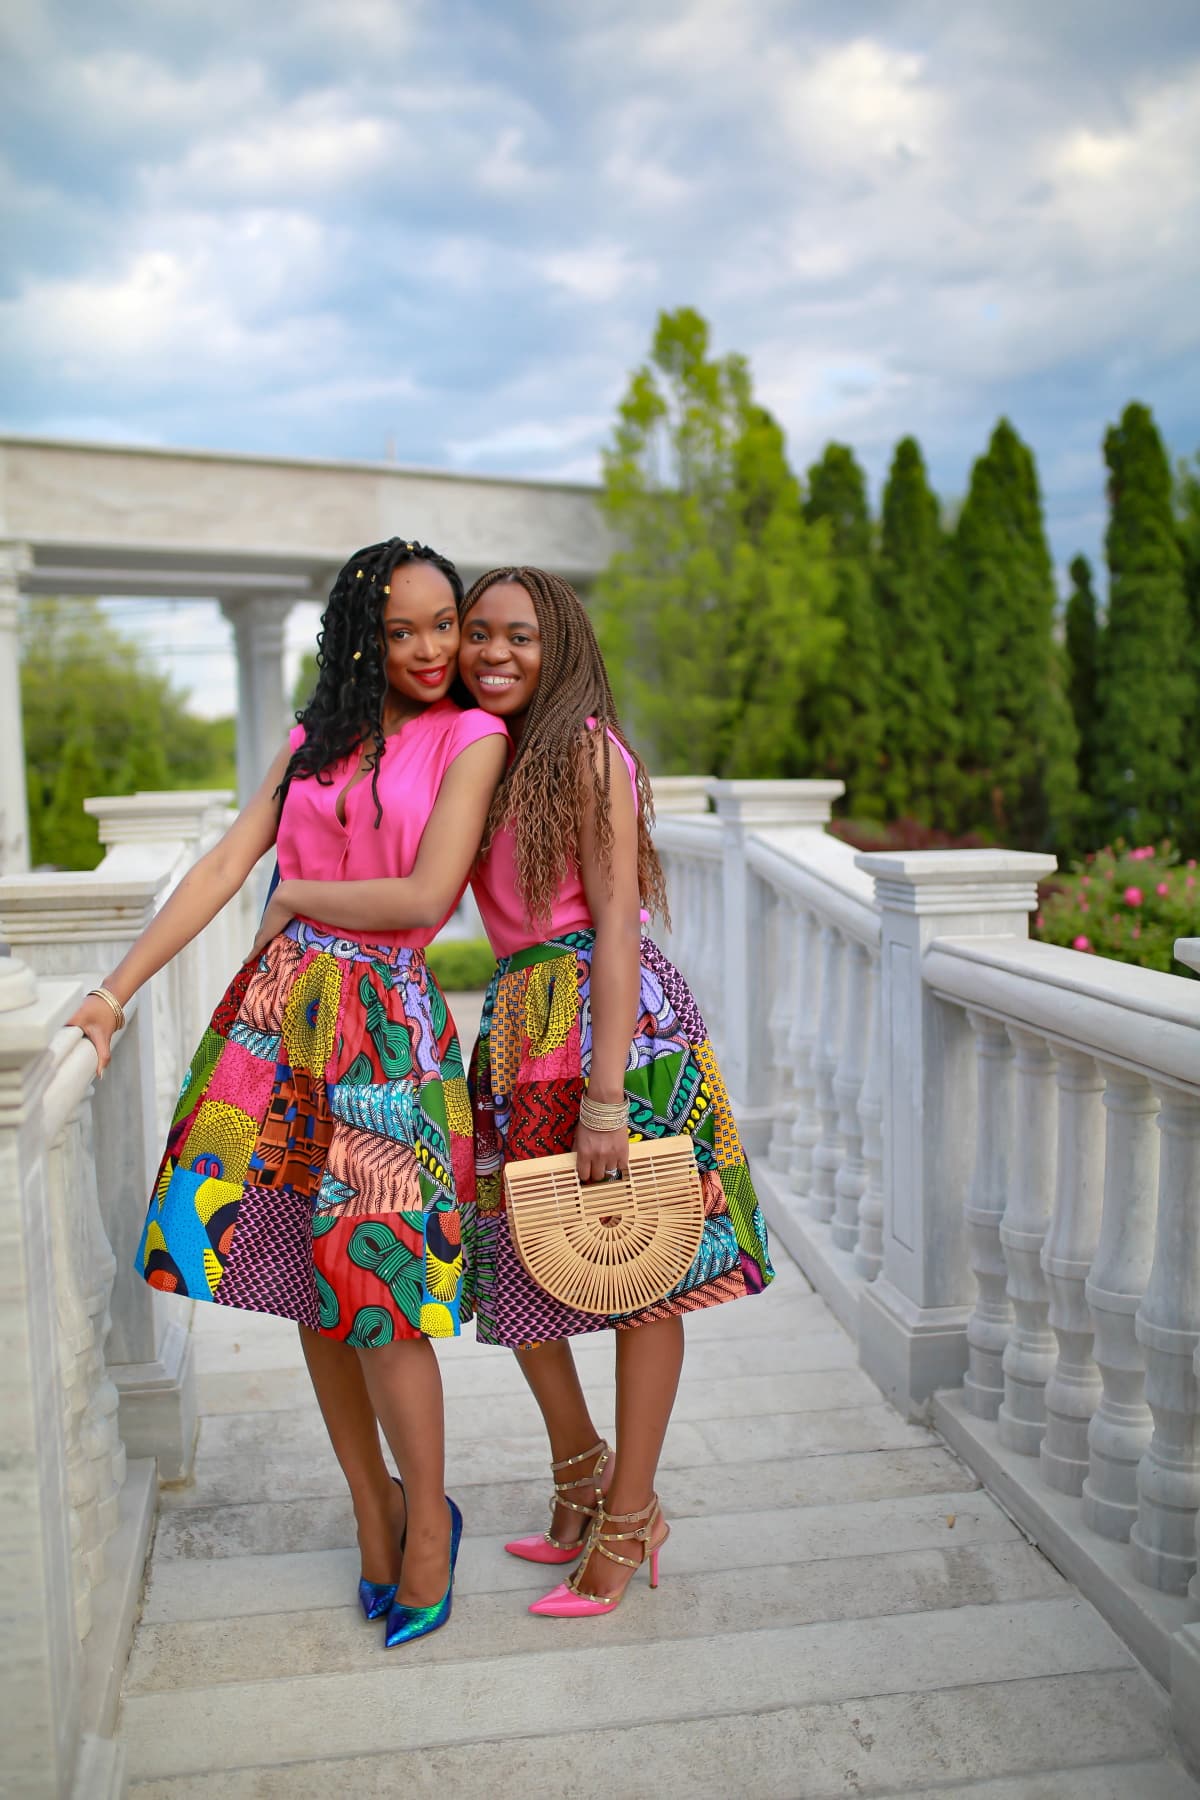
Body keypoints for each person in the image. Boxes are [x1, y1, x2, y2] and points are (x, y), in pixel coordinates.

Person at [69, 537, 507, 1647]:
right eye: (400, 629)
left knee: (380, 1292)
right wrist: (114, 994)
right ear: (362, 635)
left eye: (442, 625)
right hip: (273, 1029)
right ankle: (374, 1513)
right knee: (304, 1290)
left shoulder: (473, 736)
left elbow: (424, 891)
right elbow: (221, 867)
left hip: (386, 1040)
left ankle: (427, 1528)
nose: (427, 648)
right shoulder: (316, 742)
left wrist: (296, 891)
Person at [455, 566, 774, 1617]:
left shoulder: (587, 752)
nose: (496, 653)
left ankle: (630, 1517)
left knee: (643, 1266)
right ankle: (580, 1470)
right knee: (511, 1260)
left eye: (522, 637)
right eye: (478, 635)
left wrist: (603, 1097)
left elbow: (618, 923)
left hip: (608, 1030)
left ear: (566, 650)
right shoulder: (483, 758)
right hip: (515, 1025)